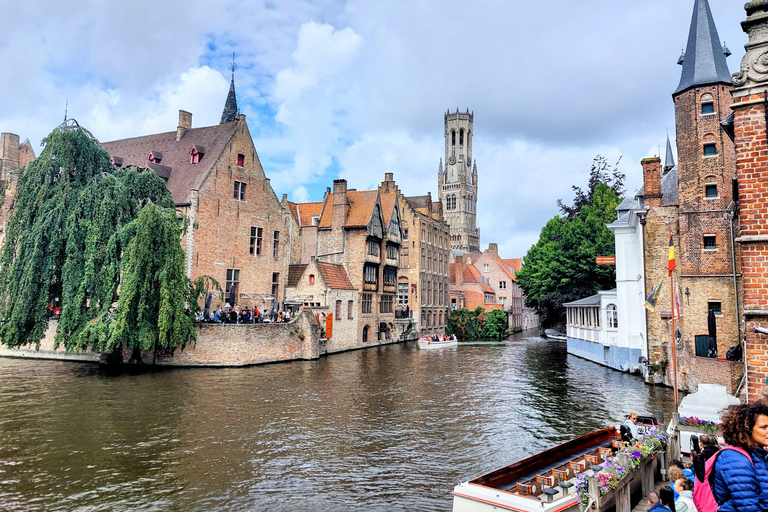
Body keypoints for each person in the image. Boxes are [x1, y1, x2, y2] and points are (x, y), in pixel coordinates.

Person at [711, 402, 768, 512]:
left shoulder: (757, 455)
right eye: (763, 427)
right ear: (747, 428)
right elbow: (748, 506)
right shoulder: (736, 459)